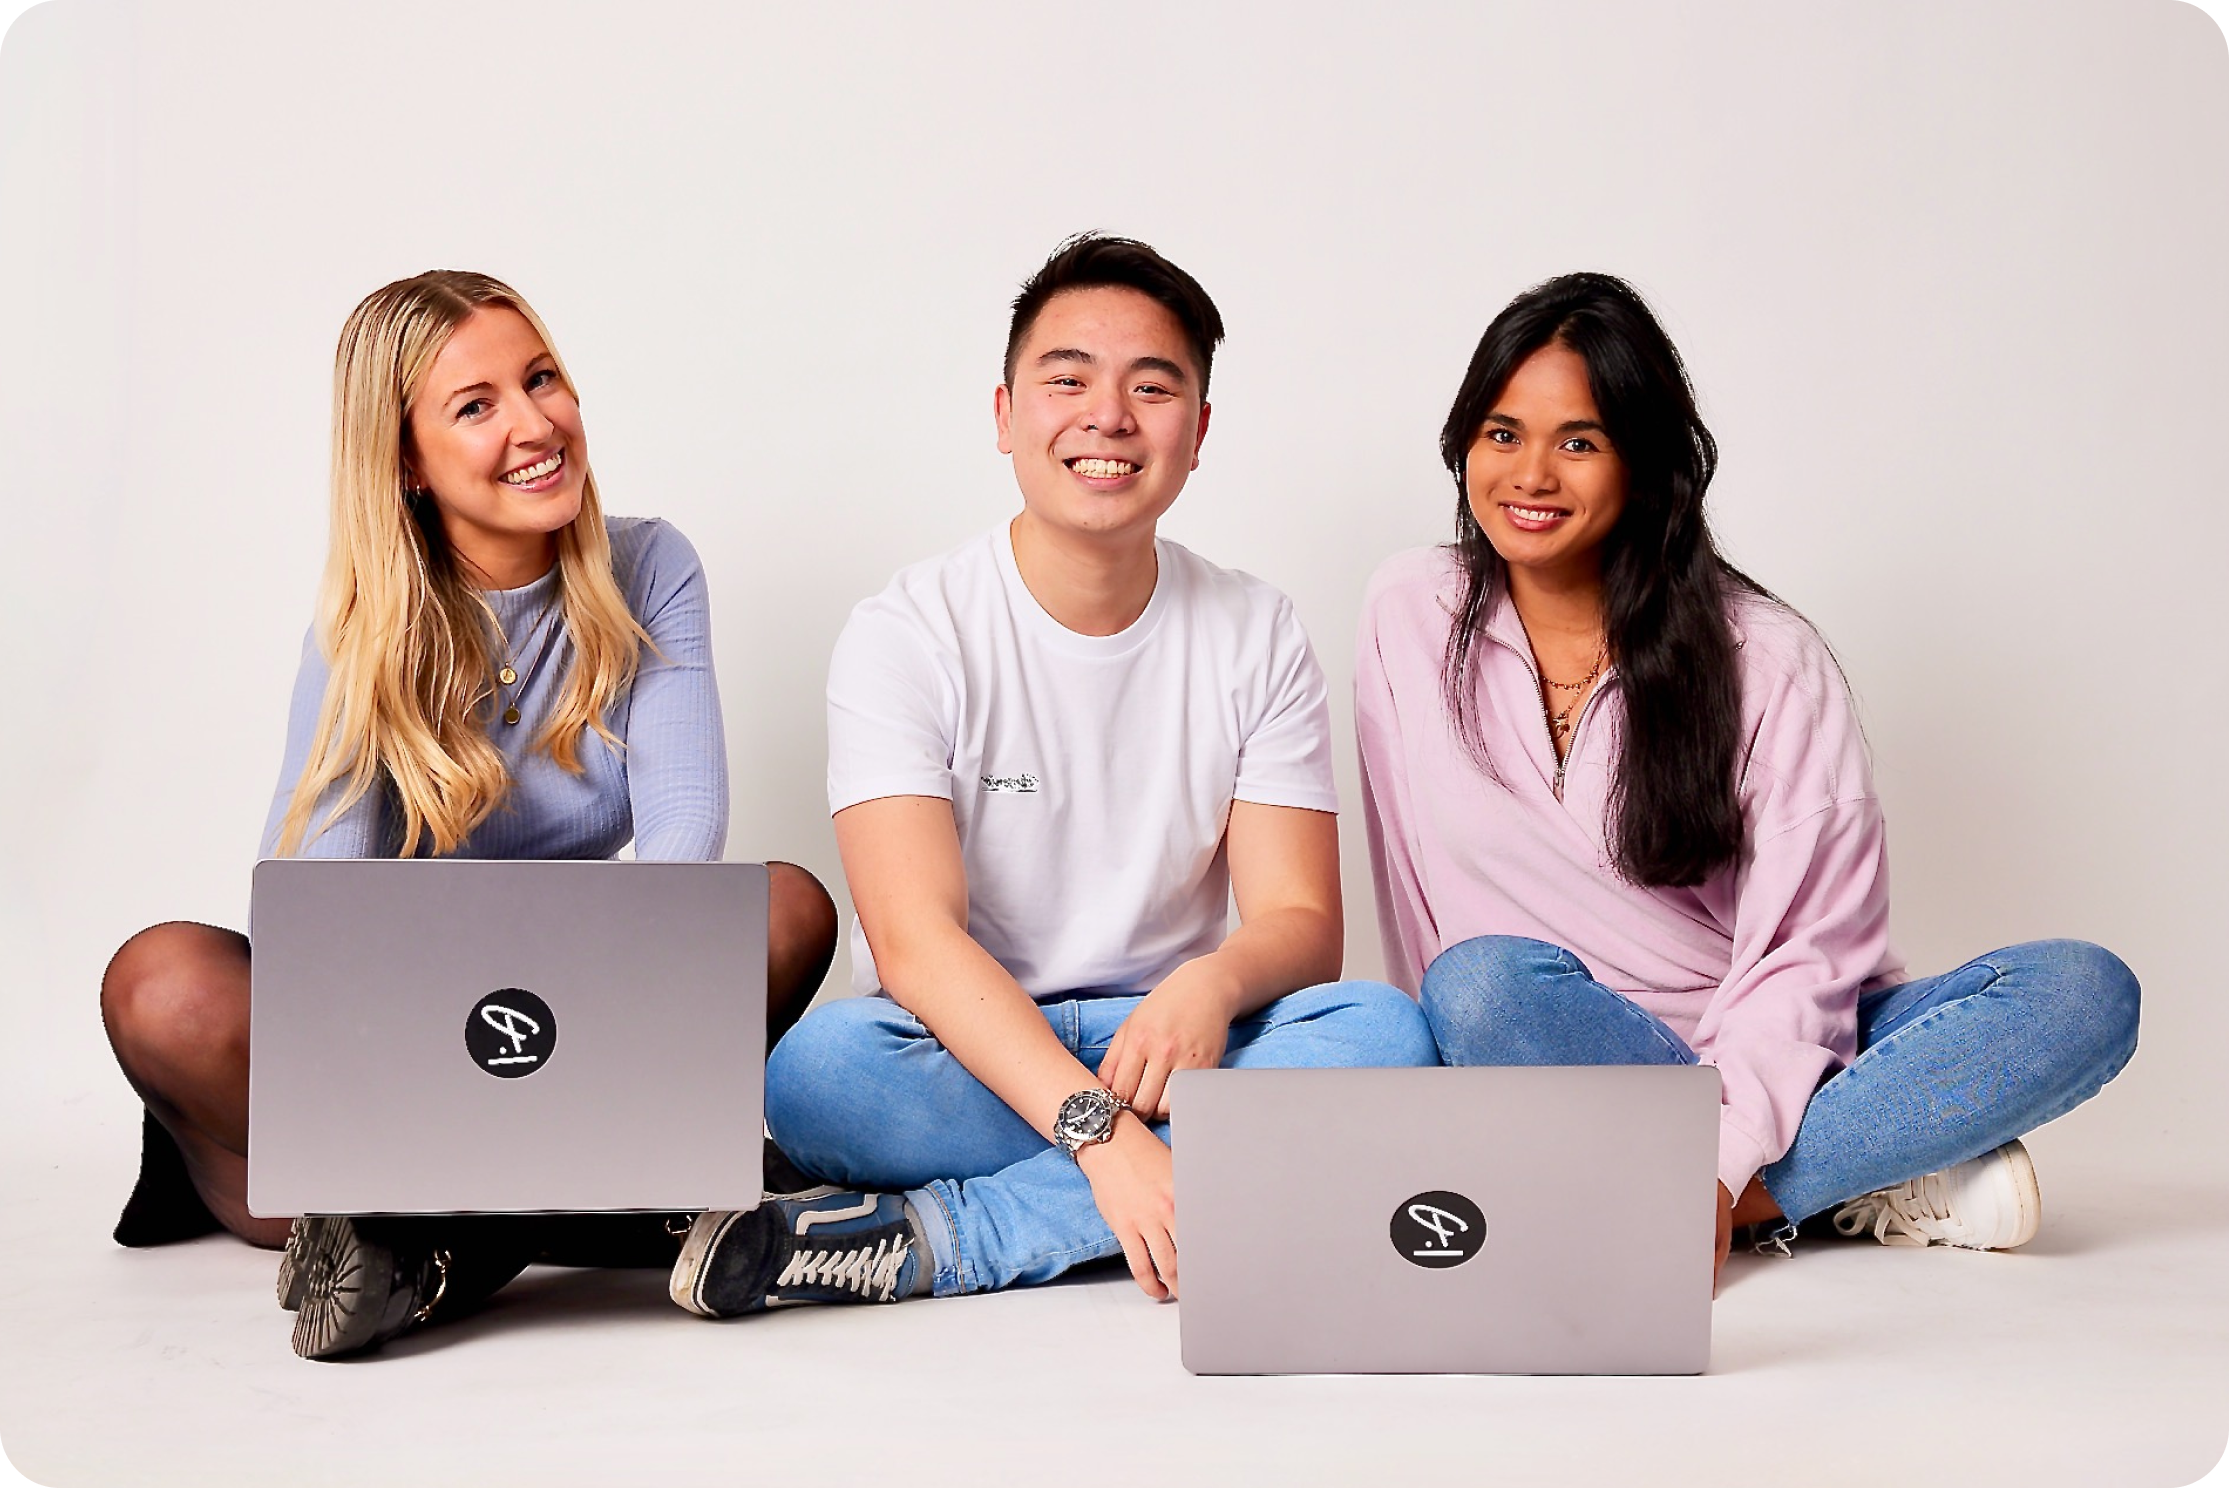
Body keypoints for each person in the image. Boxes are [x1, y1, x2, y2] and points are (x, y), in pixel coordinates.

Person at [666, 234, 1435, 1319]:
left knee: (1387, 1040)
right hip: (958, 1047)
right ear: (1003, 414)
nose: (1108, 417)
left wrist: (1206, 987)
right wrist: (1101, 1137)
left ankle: (938, 1235)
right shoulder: (909, 632)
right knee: (816, 1074)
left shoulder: (1254, 629)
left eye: (1152, 386)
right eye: (1067, 380)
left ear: (1199, 430)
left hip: (1175, 1040)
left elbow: (1303, 920)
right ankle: (1185, 1180)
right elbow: (914, 945)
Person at [97, 269, 840, 1359]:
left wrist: (598, 997)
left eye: (542, 379)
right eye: (476, 405)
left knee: (784, 906)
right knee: (162, 980)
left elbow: (686, 837)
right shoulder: (366, 624)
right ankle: (603, 1206)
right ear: (404, 459)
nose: (536, 424)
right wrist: (413, 1057)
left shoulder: (650, 566)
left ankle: (432, 1244)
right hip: (392, 1041)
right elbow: (318, 906)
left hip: (580, 1010)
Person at [1356, 271, 2139, 1288]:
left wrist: (1723, 1166)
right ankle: (1859, 1172)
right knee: (1474, 984)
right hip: (1551, 1039)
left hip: (1780, 1045)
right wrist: (1460, 1089)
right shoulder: (1409, 610)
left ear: (1643, 463)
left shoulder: (1766, 659)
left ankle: (1735, 1196)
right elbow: (1414, 901)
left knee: (2081, 991)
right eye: (1502, 434)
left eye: (1579, 441)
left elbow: (1809, 960)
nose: (1531, 473)